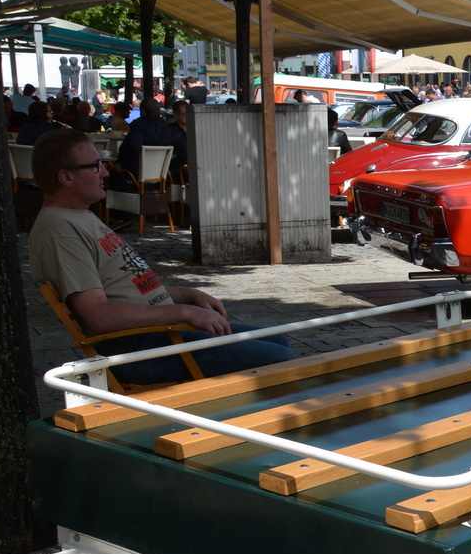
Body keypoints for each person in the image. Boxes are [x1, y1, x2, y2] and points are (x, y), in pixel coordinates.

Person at [28, 130, 295, 386]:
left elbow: (122, 289)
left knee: (277, 340)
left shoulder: (77, 215)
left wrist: (185, 294)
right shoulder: (60, 230)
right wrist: (183, 311)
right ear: (66, 177)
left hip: (156, 335)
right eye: (96, 166)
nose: (106, 172)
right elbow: (99, 316)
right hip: (137, 348)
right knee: (278, 360)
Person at [118, 99, 188, 182]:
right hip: (162, 178)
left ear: (143, 113)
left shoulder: (138, 129)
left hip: (136, 178)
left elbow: (133, 148)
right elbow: (184, 154)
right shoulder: (170, 131)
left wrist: (123, 165)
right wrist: (166, 167)